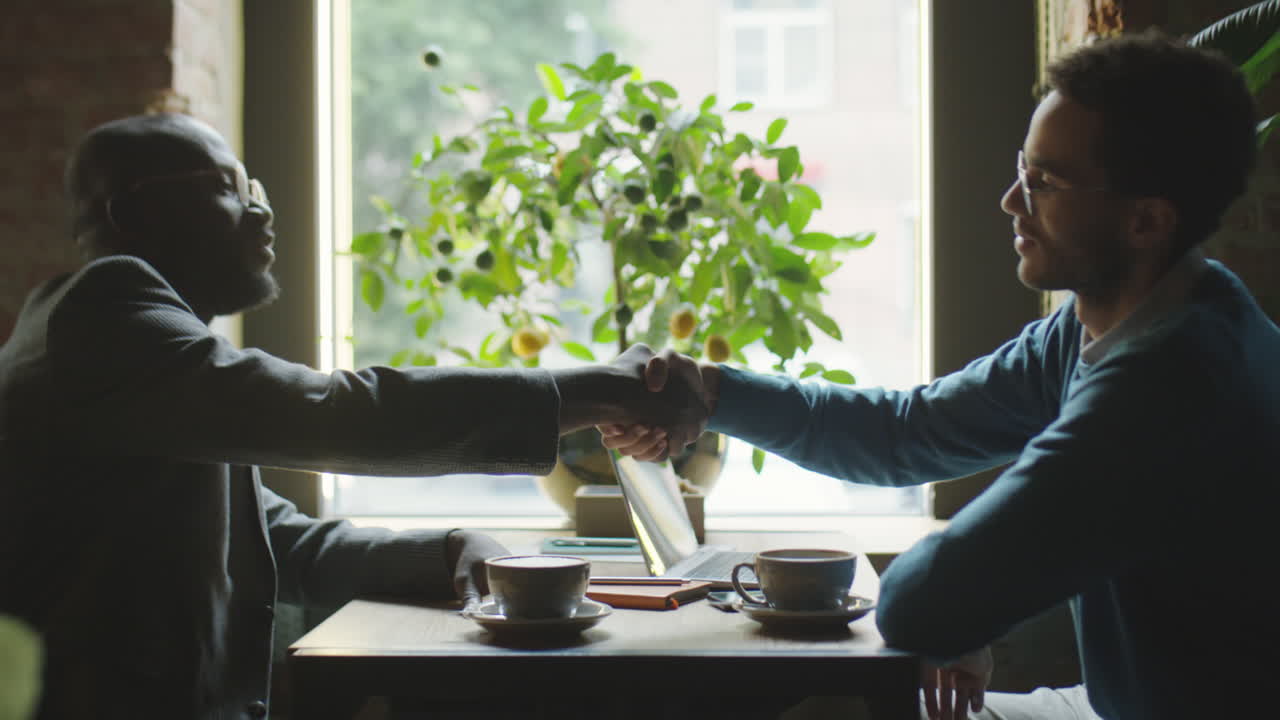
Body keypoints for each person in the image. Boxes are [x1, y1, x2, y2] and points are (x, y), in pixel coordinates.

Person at [604, 30, 1277, 720]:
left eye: (1045, 182)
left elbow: (926, 607)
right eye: (1023, 168)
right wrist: (711, 396)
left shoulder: (1166, 389)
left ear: (1145, 222)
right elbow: (907, 433)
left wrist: (967, 605)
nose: (1012, 202)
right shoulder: (1128, 320)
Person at [0, 112, 703, 719]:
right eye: (230, 187)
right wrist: (591, 391)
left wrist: (448, 549)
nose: (261, 209)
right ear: (132, 213)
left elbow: (280, 545)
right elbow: (337, 413)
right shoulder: (104, 316)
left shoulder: (143, 356)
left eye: (259, 187)